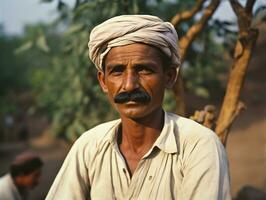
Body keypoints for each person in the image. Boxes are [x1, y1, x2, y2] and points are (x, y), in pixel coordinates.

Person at [46, 15, 231, 200]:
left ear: (169, 77)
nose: (129, 85)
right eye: (117, 71)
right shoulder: (89, 147)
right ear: (103, 81)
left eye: (143, 70)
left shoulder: (198, 146)